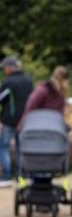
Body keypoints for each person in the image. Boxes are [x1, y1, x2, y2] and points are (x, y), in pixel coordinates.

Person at [0, 57, 33, 187]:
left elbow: (1, 98)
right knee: (22, 148)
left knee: (3, 146)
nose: (4, 70)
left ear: (10, 67)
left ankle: (6, 176)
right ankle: (22, 177)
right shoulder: (28, 80)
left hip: (10, 120)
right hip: (26, 120)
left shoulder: (8, 82)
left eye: (4, 67)